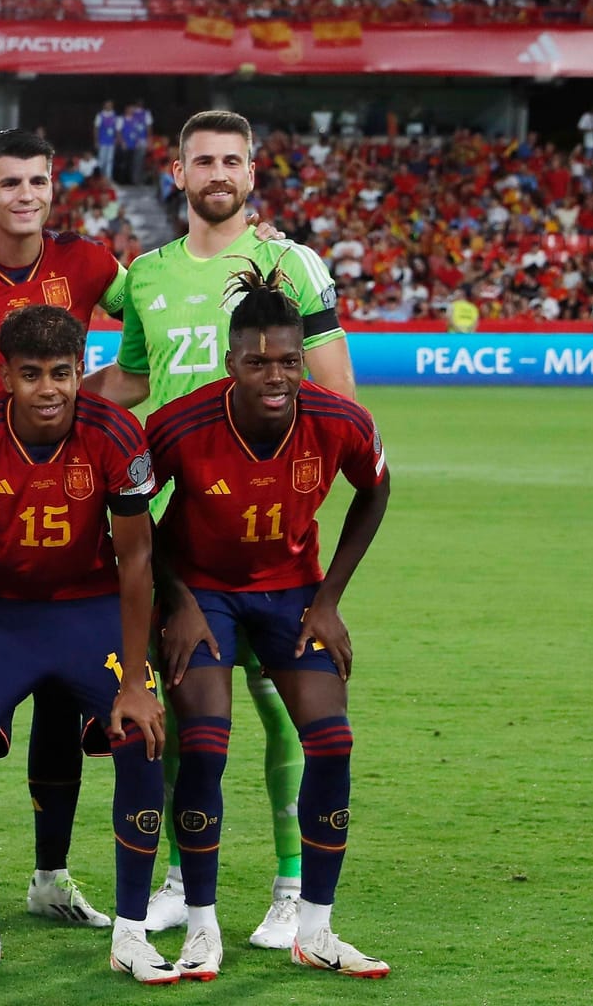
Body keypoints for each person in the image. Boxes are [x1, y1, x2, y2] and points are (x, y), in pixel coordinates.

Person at [83, 109, 355, 951]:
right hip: (172, 526)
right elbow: (134, 376)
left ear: (250, 170)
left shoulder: (288, 266)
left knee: (282, 715)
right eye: (204, 160)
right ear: (176, 171)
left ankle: (287, 890)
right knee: (184, 712)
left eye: (233, 159)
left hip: (269, 532)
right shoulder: (145, 278)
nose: (219, 173)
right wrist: (51, 403)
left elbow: (339, 397)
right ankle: (176, 879)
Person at [145, 271, 390, 980]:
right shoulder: (182, 425)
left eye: (287, 360)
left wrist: (331, 598)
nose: (275, 376)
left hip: (292, 596)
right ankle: (201, 927)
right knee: (205, 747)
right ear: (231, 364)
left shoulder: (340, 420)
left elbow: (375, 492)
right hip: (205, 593)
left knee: (334, 741)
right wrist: (179, 599)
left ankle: (315, 928)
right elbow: (130, 514)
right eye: (257, 363)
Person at [0, 305, 174, 983]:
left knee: (143, 733)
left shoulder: (116, 433)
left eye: (62, 373)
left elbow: (136, 561)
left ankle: (131, 932)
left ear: (79, 370)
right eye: (31, 374)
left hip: (88, 611)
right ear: (6, 375)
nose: (48, 389)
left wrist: (134, 679)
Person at [0, 127, 134, 929]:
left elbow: (146, 322)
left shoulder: (88, 264)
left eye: (37, 182)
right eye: (8, 182)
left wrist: (101, 407)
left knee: (61, 703)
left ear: (54, 189)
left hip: (66, 515)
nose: (24, 195)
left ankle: (51, 875)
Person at [93, 101, 120, 181]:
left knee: (110, 160)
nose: (108, 106)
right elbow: (96, 129)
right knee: (101, 160)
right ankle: (100, 177)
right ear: (104, 106)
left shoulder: (115, 116)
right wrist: (96, 141)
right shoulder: (100, 115)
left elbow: (117, 129)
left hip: (111, 141)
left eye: (110, 105)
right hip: (102, 141)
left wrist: (116, 139)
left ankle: (108, 178)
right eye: (107, 105)